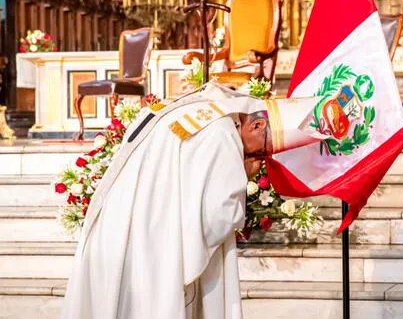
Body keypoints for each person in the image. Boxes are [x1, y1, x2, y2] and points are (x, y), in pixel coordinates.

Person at [61, 83, 324, 319]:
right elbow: (217, 218)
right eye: (262, 149)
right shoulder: (221, 133)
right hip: (152, 246)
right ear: (257, 125)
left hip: (122, 225)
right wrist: (242, 177)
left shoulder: (201, 109)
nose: (256, 156)